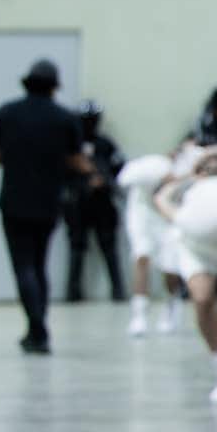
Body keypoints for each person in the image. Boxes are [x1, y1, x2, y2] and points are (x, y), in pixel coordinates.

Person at [0, 58, 90, 355]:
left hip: (14, 200)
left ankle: (37, 328)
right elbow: (76, 160)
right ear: (54, 87)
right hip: (48, 200)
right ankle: (37, 327)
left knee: (23, 266)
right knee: (39, 264)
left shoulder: (7, 113)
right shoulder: (64, 119)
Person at [153, 164, 217, 404]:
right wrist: (187, 176)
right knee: (202, 300)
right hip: (195, 246)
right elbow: (161, 199)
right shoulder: (188, 190)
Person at [63, 102, 127, 303]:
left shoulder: (105, 144)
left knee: (108, 246)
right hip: (78, 203)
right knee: (77, 247)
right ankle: (73, 292)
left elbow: (120, 168)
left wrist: (105, 181)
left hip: (103, 203)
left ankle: (118, 290)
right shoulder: (71, 147)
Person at [117, 150, 185, 338]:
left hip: (166, 217)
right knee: (142, 257)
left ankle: (172, 304)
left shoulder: (185, 169)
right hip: (142, 215)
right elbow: (123, 179)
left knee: (170, 266)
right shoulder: (153, 166)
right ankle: (139, 314)